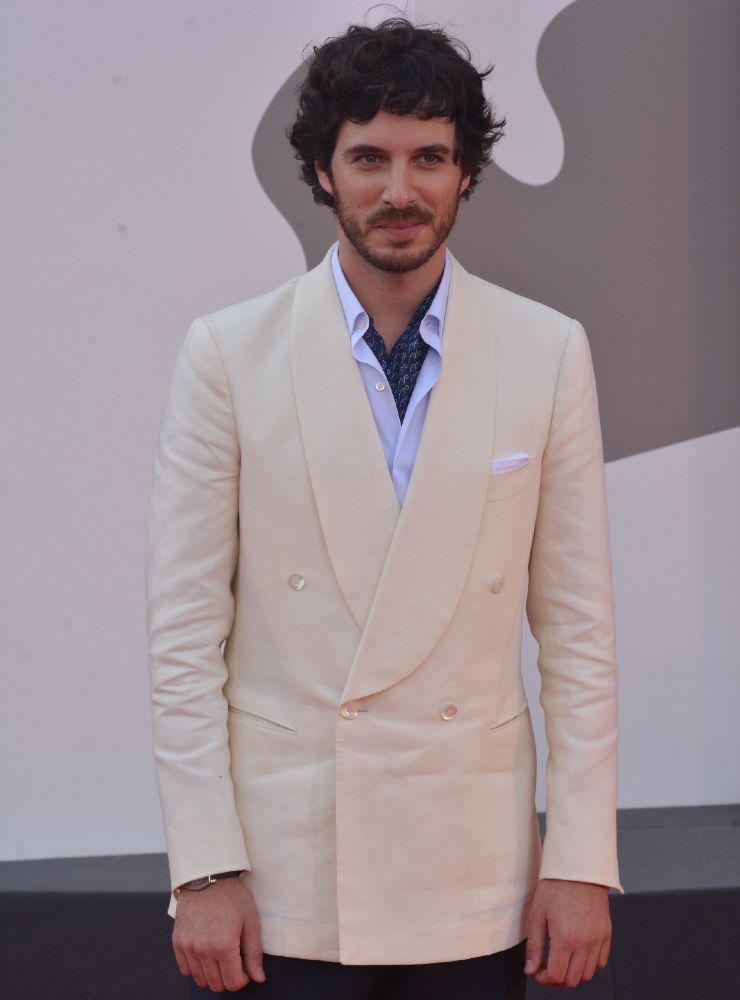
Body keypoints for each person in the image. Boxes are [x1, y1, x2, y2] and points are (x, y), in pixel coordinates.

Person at [146, 17, 622, 998]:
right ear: (321, 170)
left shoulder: (544, 351)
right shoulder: (227, 355)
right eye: (368, 157)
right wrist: (201, 867)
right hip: (288, 870)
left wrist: (577, 860)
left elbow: (577, 635)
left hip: (472, 866)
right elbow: (183, 636)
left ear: (464, 172)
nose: (398, 192)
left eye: (428, 159)